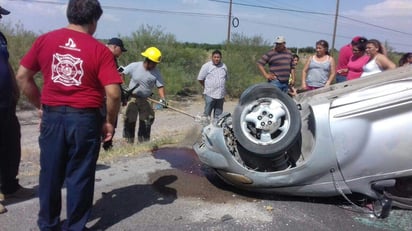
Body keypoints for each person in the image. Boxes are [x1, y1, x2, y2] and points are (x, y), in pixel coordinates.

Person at [15, 0, 122, 230]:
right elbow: (113, 93)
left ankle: (48, 224)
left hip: (53, 118)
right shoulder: (99, 50)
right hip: (85, 120)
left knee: (50, 174)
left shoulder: (44, 40)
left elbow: (22, 77)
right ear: (94, 21)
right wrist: (109, 123)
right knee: (80, 175)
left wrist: (41, 105)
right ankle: (75, 227)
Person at [0, 5, 35, 215]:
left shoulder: (1, 37)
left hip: (6, 101)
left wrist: (14, 86)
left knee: (11, 143)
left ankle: (10, 187)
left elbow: (6, 64)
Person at [122, 46, 166, 143]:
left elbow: (160, 86)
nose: (155, 65)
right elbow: (122, 73)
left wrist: (163, 99)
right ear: (148, 60)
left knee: (146, 122)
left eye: (156, 63)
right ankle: (128, 143)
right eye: (154, 63)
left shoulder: (156, 73)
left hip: (146, 100)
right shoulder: (134, 66)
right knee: (129, 120)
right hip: (132, 99)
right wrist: (123, 86)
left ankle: (143, 143)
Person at [102, 37, 127, 151]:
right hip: (105, 97)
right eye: (121, 50)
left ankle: (108, 145)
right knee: (107, 121)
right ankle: (106, 145)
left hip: (107, 95)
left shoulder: (111, 58)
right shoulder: (106, 56)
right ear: (115, 47)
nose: (121, 53)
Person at [197, 49, 228, 121]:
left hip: (220, 95)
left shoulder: (224, 66)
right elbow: (200, 79)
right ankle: (205, 130)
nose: (216, 59)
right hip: (209, 94)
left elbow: (225, 78)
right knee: (206, 115)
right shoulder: (206, 66)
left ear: (221, 58)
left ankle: (216, 131)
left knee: (218, 116)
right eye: (215, 57)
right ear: (212, 57)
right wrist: (206, 86)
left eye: (218, 57)